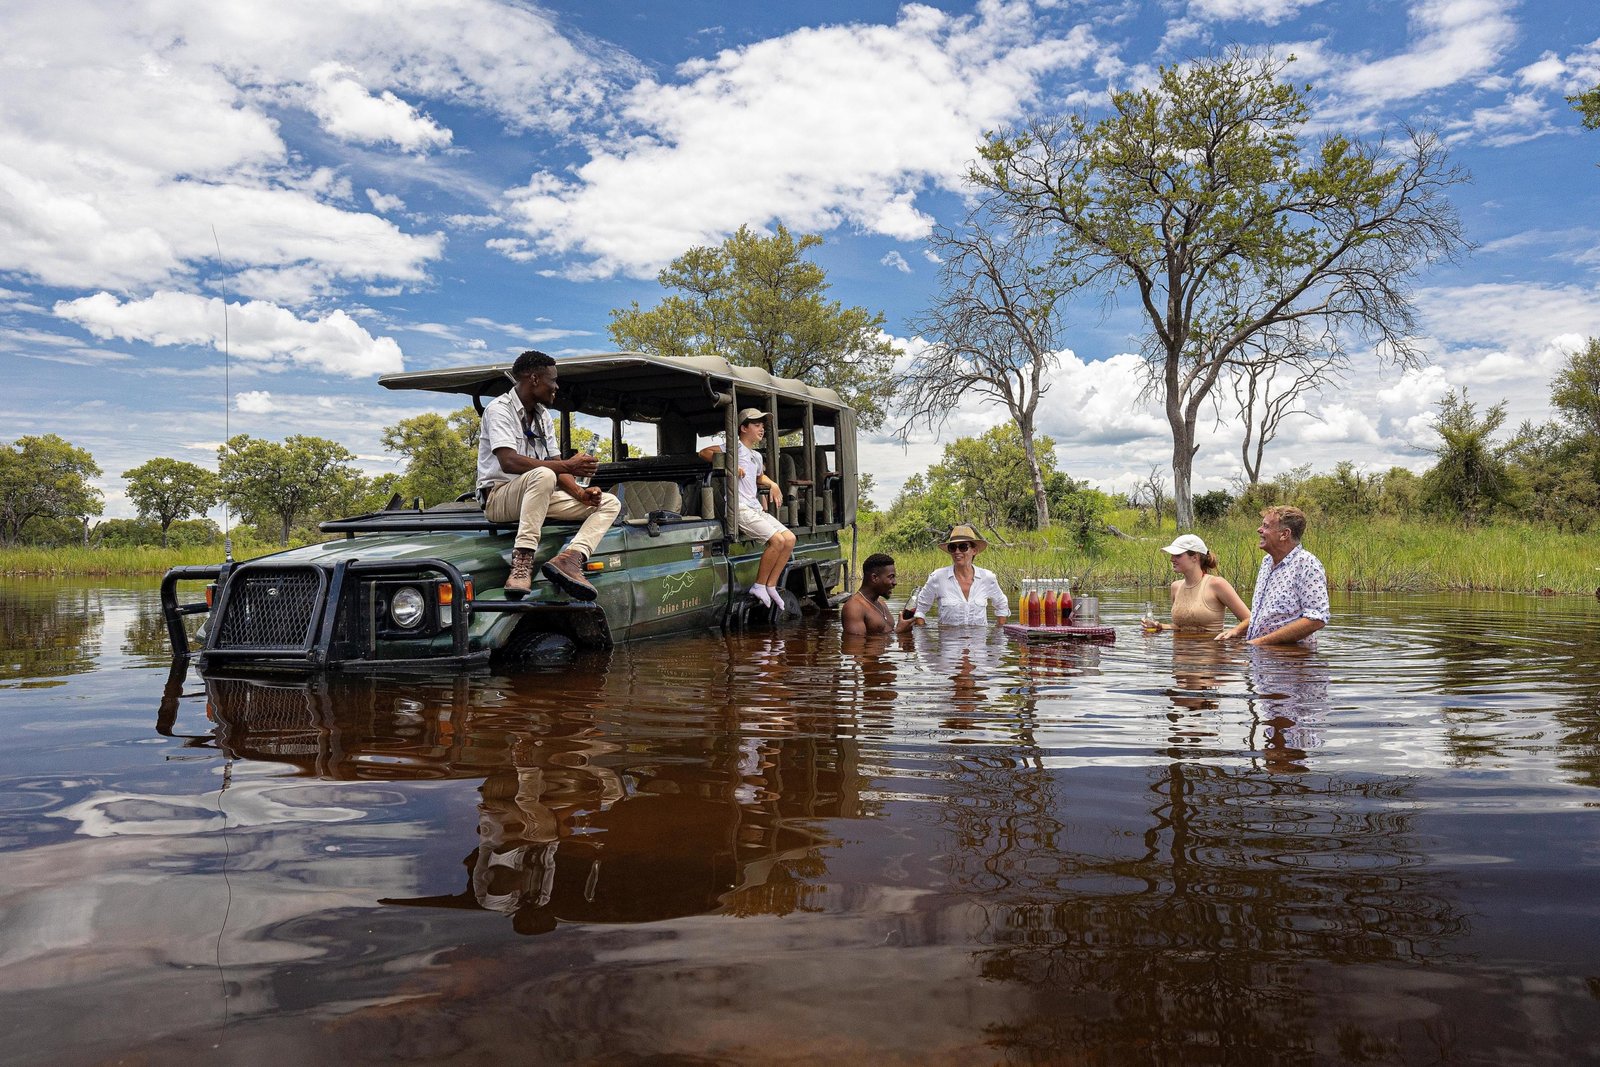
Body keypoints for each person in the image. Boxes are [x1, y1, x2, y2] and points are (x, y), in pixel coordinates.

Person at [479, 350, 621, 600]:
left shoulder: (542, 416)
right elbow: (508, 461)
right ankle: (522, 561)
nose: (556, 387)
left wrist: (580, 494)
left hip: (538, 495)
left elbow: (555, 463)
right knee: (543, 474)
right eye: (552, 380)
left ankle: (571, 559)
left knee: (609, 502)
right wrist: (569, 466)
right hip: (500, 498)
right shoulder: (499, 409)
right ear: (534, 379)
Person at [698, 408, 796, 611]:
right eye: (756, 425)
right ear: (743, 428)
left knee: (789, 539)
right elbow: (704, 452)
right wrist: (729, 466)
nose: (761, 429)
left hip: (755, 508)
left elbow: (759, 476)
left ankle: (771, 585)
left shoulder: (756, 456)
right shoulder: (733, 448)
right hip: (740, 508)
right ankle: (759, 585)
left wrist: (773, 484)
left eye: (762, 426)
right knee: (777, 541)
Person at [1221, 505, 1330, 646]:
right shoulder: (1267, 562)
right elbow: (1264, 616)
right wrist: (1237, 631)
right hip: (1261, 654)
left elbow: (1317, 618)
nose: (1259, 530)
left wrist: (1261, 642)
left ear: (1284, 534)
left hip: (1291, 656)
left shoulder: (1306, 564)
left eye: (1266, 526)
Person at [1143, 533, 1251, 638]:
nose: (1172, 559)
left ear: (1195, 557)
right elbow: (1181, 627)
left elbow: (1250, 619)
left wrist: (1234, 632)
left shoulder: (1216, 584)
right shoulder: (1175, 587)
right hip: (1180, 649)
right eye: (1172, 555)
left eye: (1178, 555)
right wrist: (1160, 626)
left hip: (1210, 648)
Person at [911, 523, 1009, 626]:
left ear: (974, 551)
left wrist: (997, 633)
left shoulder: (987, 577)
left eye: (963, 547)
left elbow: (1002, 605)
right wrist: (924, 633)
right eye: (953, 547)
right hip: (948, 636)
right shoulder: (937, 577)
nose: (957, 551)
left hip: (978, 636)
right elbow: (920, 611)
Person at [842, 553, 916, 635]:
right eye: (891, 577)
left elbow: (888, 634)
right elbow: (855, 643)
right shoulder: (854, 608)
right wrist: (899, 632)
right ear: (874, 578)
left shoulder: (881, 603)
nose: (895, 582)